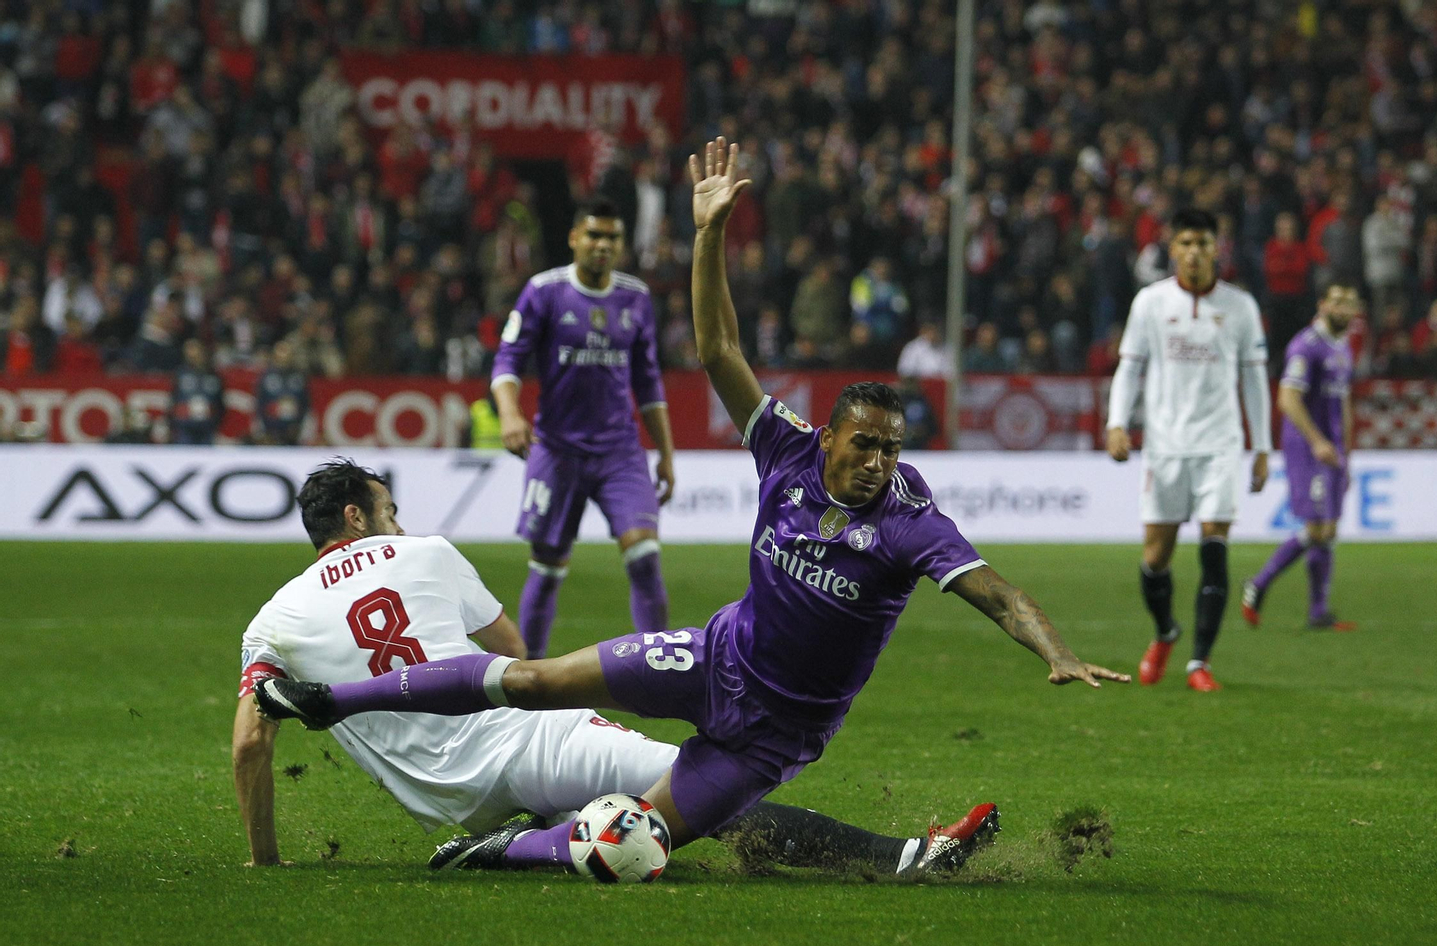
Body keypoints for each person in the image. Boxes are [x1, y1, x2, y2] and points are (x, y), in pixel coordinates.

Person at [255, 138, 1126, 873]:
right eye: (866, 444)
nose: (880, 462)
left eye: (894, 448)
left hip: (774, 731)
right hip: (711, 656)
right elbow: (716, 345)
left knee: (639, 845)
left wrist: (1058, 651)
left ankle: (493, 851)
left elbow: (1001, 594)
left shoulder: (907, 521)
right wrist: (707, 232)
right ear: (829, 436)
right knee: (534, 679)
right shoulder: (785, 444)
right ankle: (336, 700)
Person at [235, 459, 997, 876]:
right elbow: (513, 655)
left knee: (605, 808)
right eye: (388, 508)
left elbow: (249, 746)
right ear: (360, 517)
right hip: (524, 743)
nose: (398, 521)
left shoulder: (272, 621)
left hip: (442, 800)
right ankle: (904, 857)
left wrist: (266, 861)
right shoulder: (425, 552)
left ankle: (528, 832)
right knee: (706, 797)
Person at [491, 199, 677, 658]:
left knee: (645, 557)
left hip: (620, 452)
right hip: (556, 451)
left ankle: (659, 673)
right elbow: (508, 359)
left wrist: (667, 453)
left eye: (612, 237)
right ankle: (528, 677)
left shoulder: (635, 297)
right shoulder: (544, 291)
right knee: (548, 566)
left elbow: (648, 379)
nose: (602, 245)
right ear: (574, 238)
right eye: (594, 235)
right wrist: (511, 415)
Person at [1104, 208, 1272, 693]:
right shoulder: (1150, 303)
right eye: (1185, 243)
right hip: (1166, 445)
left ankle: (1199, 661)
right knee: (1156, 555)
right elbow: (1130, 368)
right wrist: (1117, 423)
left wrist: (1262, 446)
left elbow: (1255, 377)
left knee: (1215, 541)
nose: (1194, 251)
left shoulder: (1240, 306)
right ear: (1172, 249)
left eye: (1202, 242)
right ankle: (1165, 632)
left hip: (1220, 443)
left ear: (1216, 247)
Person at [1242, 282, 1360, 632]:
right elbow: (1287, 399)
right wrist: (1317, 441)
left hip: (1332, 449)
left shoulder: (1344, 348)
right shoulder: (1305, 347)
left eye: (1349, 303)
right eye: (1336, 301)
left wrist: (1346, 455)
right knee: (1316, 527)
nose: (1342, 308)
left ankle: (1318, 611)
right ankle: (1259, 584)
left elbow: (1344, 403)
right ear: (1322, 304)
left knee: (1329, 528)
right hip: (1308, 448)